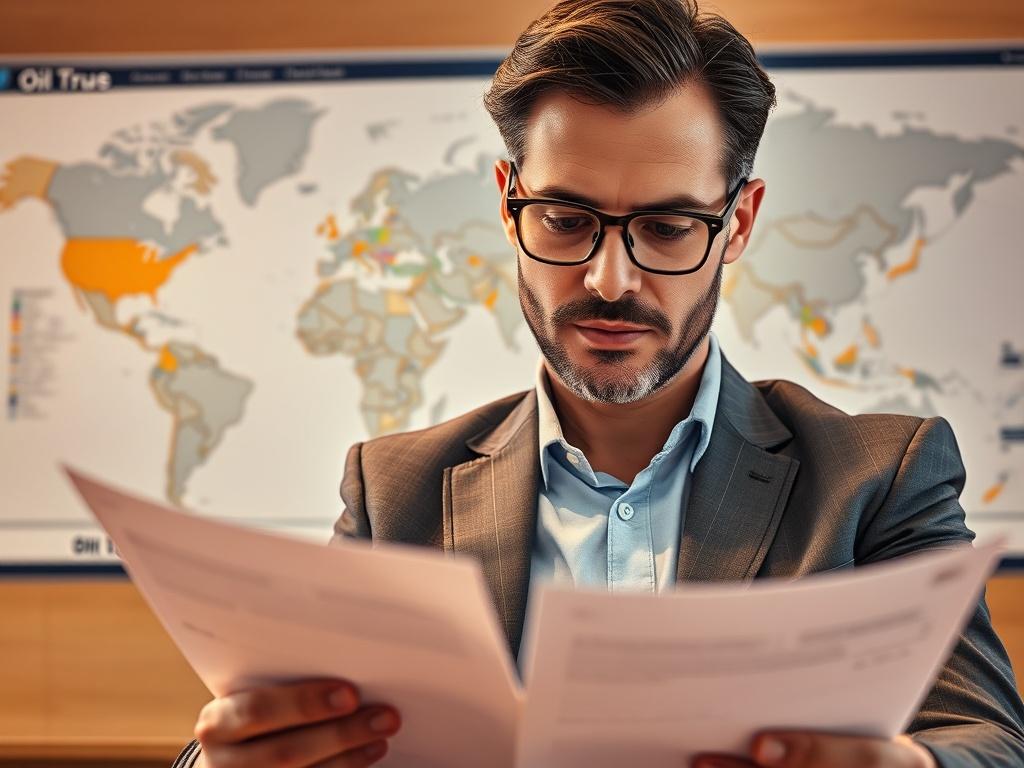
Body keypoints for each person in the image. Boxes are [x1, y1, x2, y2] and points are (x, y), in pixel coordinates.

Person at [174, 1, 1024, 766]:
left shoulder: (878, 477)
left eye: (666, 226)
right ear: (509, 204)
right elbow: (263, 726)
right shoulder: (395, 491)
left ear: (740, 222)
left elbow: (989, 740)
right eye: (568, 220)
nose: (610, 278)